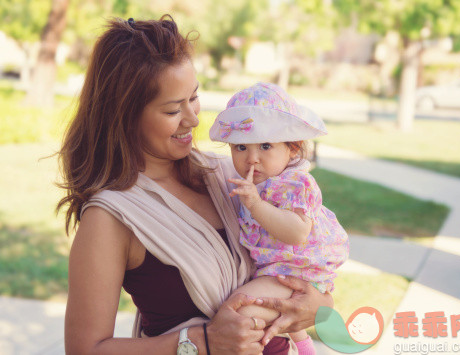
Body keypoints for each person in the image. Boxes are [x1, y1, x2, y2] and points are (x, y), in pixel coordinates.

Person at [58, 16, 334, 355]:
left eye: (194, 97)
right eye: (174, 109)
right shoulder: (112, 217)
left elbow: (303, 263)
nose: (193, 118)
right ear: (125, 115)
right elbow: (85, 350)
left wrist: (318, 304)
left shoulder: (228, 176)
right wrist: (202, 341)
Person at [209, 82, 349, 354]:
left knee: (240, 308)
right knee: (274, 308)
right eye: (240, 147)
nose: (252, 159)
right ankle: (306, 348)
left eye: (265, 145)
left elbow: (297, 233)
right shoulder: (254, 184)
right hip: (278, 267)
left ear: (293, 148)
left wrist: (255, 204)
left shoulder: (296, 184)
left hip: (296, 269)